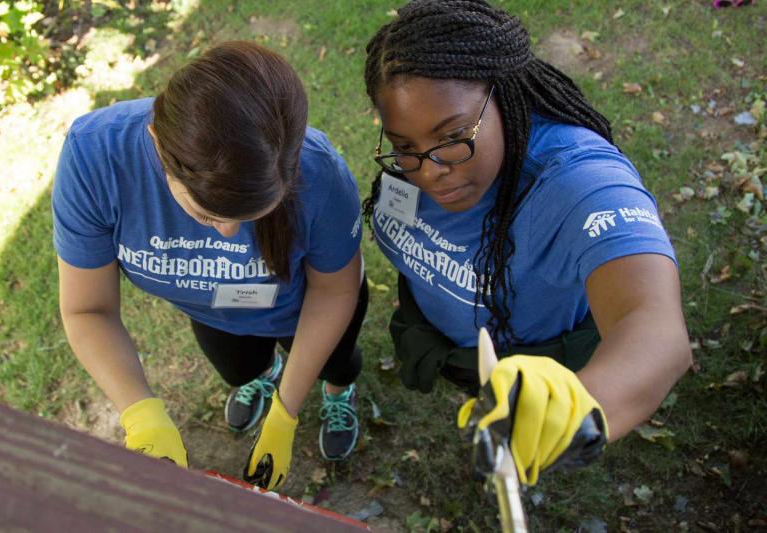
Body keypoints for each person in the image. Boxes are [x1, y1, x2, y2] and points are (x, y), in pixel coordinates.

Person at [362, 0, 691, 485]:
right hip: (464, 350)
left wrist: (580, 408)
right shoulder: (419, 163)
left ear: (506, 96)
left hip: (538, 359)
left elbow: (656, 329)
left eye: (452, 137)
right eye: (405, 147)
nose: (430, 172)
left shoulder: (576, 181)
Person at [52, 41, 366, 490]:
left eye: (249, 217)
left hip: (306, 310)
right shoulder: (93, 157)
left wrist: (286, 412)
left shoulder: (322, 175)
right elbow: (87, 310)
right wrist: (142, 415)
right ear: (159, 143)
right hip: (213, 312)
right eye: (206, 215)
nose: (227, 235)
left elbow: (335, 290)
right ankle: (262, 379)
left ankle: (337, 393)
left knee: (336, 363)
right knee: (239, 370)